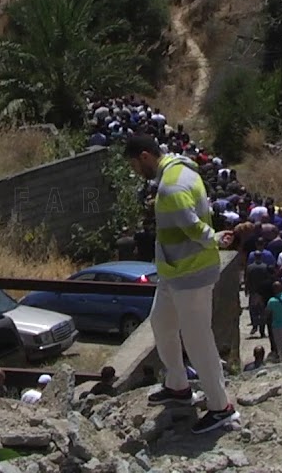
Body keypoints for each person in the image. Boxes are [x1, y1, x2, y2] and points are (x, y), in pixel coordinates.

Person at [122, 135, 239, 434]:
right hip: (173, 271)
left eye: (135, 165)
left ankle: (219, 405)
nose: (136, 171)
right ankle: (177, 385)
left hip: (190, 274)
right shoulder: (183, 169)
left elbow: (193, 226)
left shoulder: (170, 187)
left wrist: (213, 238)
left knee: (198, 339)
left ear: (145, 156)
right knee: (161, 323)